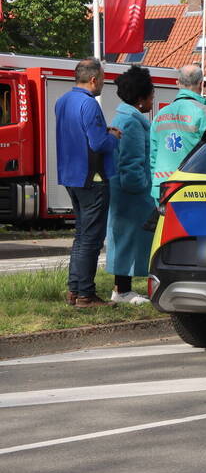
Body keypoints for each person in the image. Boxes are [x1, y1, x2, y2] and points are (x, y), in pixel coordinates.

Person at [54, 58, 120, 309]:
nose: (104, 83)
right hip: (93, 177)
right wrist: (112, 136)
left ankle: (74, 291)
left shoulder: (62, 102)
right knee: (91, 238)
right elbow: (98, 144)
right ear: (94, 79)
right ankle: (86, 295)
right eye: (103, 78)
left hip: (71, 176)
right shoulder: (89, 105)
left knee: (81, 235)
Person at [105, 66, 156, 305]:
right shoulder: (133, 122)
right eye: (150, 95)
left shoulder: (125, 117)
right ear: (140, 98)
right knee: (127, 240)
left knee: (124, 240)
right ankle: (123, 291)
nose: (152, 99)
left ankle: (122, 289)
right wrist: (143, 188)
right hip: (132, 194)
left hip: (125, 192)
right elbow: (131, 162)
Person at [150, 64, 206, 200]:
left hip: (162, 186)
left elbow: (153, 156)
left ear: (177, 83)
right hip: (191, 188)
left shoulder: (160, 114)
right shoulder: (203, 112)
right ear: (201, 83)